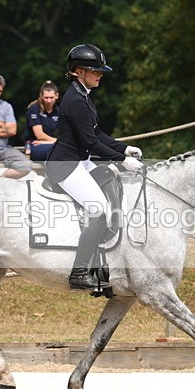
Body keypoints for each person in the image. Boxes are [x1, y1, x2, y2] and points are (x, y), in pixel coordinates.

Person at [46, 44, 144, 291]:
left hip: (81, 161)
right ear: (79, 71)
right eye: (95, 70)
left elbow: (97, 133)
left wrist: (123, 149)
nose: (100, 74)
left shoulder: (84, 95)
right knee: (99, 210)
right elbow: (90, 142)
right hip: (66, 166)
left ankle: (103, 261)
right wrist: (122, 162)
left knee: (113, 187)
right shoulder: (75, 100)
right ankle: (79, 272)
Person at [25, 80, 60, 161]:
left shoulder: (58, 111)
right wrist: (57, 142)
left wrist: (51, 142)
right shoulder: (34, 108)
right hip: (34, 145)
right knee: (60, 150)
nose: (48, 101)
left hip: (50, 144)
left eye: (51, 98)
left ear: (57, 96)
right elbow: (39, 135)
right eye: (46, 97)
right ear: (41, 96)